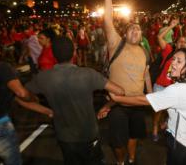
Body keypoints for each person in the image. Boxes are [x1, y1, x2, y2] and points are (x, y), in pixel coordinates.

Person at [25, 36, 125, 165]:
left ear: (54, 56)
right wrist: (107, 105)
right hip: (88, 134)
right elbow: (120, 91)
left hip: (65, 137)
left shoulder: (43, 77)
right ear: (74, 53)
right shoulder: (88, 74)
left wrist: (45, 110)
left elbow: (20, 96)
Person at [0, 30, 52, 165]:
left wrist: (46, 111)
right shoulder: (1, 68)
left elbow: (14, 98)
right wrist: (34, 97)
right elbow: (21, 94)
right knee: (13, 161)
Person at [99, 0, 153, 165]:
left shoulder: (145, 52)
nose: (135, 30)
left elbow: (146, 76)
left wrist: (152, 96)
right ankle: (120, 162)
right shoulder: (117, 44)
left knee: (134, 136)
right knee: (117, 141)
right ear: (125, 32)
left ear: (141, 34)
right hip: (118, 105)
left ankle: (131, 159)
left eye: (138, 29)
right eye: (131, 28)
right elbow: (107, 21)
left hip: (138, 105)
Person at [151, 18, 186, 141]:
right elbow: (159, 37)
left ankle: (165, 123)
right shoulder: (168, 51)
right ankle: (155, 126)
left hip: (174, 88)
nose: (183, 44)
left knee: (172, 110)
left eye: (185, 42)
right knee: (159, 110)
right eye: (180, 42)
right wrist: (171, 26)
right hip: (161, 86)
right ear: (175, 43)